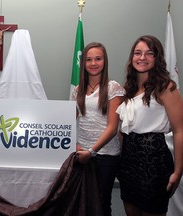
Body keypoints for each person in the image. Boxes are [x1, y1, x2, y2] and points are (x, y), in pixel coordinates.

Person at [116, 35, 183, 216]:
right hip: (129, 161)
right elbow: (122, 129)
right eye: (138, 53)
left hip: (153, 161)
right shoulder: (128, 88)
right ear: (132, 58)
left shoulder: (165, 87)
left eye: (149, 53)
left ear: (157, 57)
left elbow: (179, 131)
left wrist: (178, 171)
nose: (142, 58)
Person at [72, 42, 124, 216]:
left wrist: (92, 151)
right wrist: (76, 146)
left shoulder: (113, 87)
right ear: (83, 63)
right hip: (81, 153)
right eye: (88, 59)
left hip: (105, 156)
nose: (93, 63)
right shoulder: (77, 90)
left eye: (98, 59)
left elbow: (112, 127)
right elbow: (72, 122)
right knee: (82, 202)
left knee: (101, 204)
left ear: (105, 61)